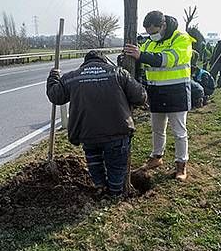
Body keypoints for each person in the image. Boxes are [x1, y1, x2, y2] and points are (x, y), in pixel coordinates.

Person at [46, 50, 147, 195]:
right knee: (116, 166)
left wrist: (53, 77)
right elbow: (140, 97)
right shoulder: (118, 73)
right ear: (104, 61)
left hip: (88, 133)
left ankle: (100, 186)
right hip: (117, 132)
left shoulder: (72, 77)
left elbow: (56, 96)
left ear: (85, 62)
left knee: (94, 161)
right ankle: (115, 193)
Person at [123, 10, 194, 181]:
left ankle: (181, 165)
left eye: (154, 32)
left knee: (179, 131)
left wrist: (142, 55)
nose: (151, 36)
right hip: (156, 92)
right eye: (149, 33)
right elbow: (143, 59)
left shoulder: (181, 38)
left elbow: (168, 59)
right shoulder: (149, 42)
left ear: (163, 25)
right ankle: (156, 157)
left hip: (176, 91)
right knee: (157, 129)